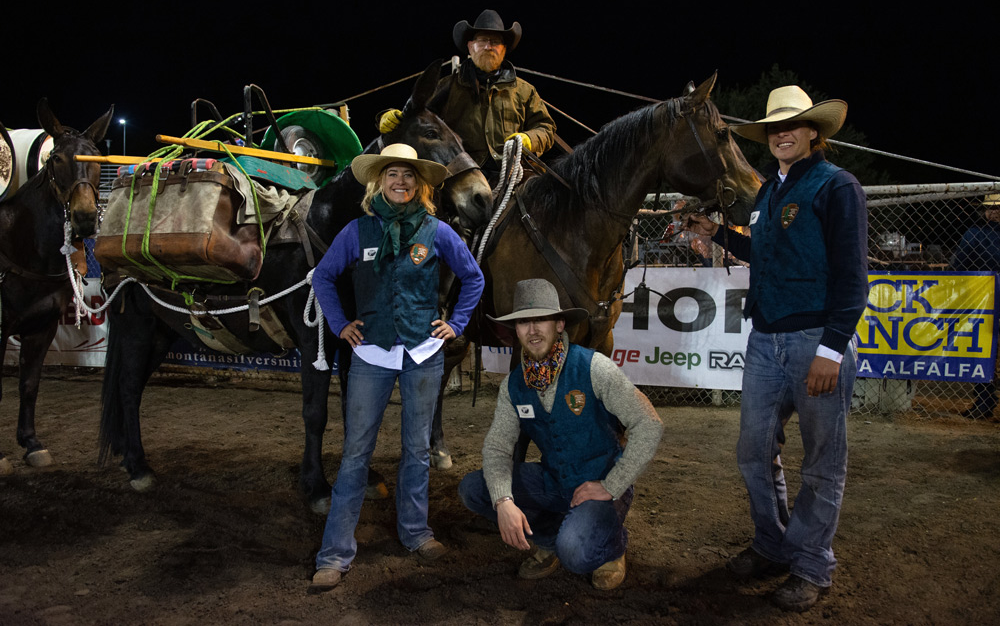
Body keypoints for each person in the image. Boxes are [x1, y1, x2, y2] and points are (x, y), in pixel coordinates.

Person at [686, 85, 868, 612]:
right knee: (753, 452)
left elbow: (854, 278)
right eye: (773, 127)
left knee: (822, 464)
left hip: (815, 340)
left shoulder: (838, 187)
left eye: (791, 124)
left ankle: (811, 563)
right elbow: (759, 251)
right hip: (765, 340)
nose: (781, 133)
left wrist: (831, 350)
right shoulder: (769, 193)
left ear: (815, 131)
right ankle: (773, 543)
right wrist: (716, 232)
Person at [308, 143, 485, 593]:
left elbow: (473, 277)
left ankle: (416, 533)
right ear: (378, 182)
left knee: (418, 450)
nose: (400, 182)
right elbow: (323, 277)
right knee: (354, 455)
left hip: (423, 354)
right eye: (392, 175)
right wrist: (339, 323)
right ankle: (334, 553)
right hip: (370, 354)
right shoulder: (356, 231)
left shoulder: (437, 230)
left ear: (420, 184)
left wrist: (457, 322)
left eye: (408, 175)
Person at [458, 278, 663, 590]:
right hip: (555, 479)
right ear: (516, 330)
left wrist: (612, 485)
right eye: (524, 322)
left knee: (577, 555)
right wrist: (503, 502)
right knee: (475, 488)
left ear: (559, 324)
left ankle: (613, 546)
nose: (533, 330)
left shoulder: (593, 367)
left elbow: (649, 423)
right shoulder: (513, 385)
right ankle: (551, 539)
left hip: (601, 484)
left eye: (540, 320)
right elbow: (497, 447)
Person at [380, 9, 556, 178]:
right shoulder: (447, 86)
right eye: (482, 41)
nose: (488, 46)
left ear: (503, 49)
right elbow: (417, 116)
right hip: (462, 173)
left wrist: (528, 139)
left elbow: (546, 128)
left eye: (495, 42)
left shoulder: (525, 90)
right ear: (470, 47)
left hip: (515, 172)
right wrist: (389, 116)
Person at [950, 194, 1000, 420]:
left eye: (998, 207)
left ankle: (985, 401)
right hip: (984, 304)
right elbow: (958, 266)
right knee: (984, 351)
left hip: (986, 302)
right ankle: (984, 401)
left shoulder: (976, 235)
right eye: (990, 207)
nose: (994, 211)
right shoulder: (975, 234)